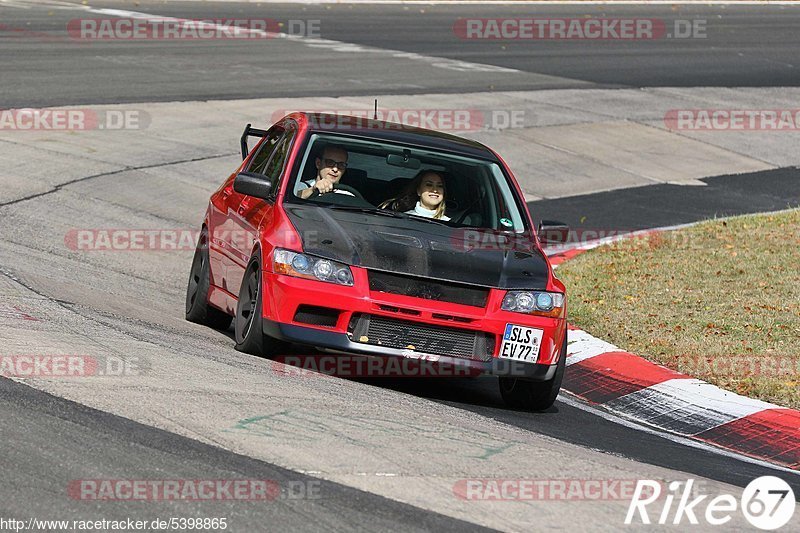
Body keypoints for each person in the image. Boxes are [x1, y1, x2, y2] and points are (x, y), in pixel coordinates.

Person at [381, 170, 450, 221]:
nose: (435, 190)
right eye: (429, 185)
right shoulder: (404, 218)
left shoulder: (449, 223)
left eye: (440, 186)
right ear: (418, 191)